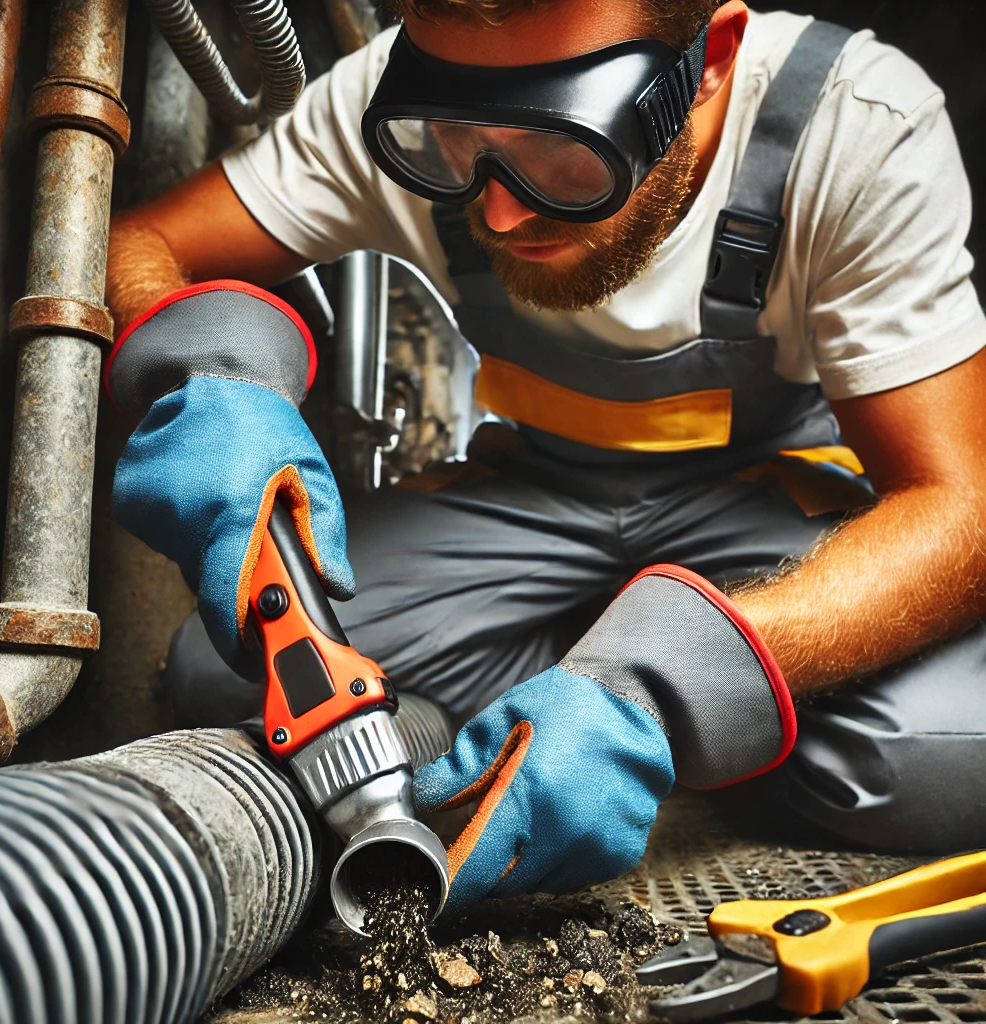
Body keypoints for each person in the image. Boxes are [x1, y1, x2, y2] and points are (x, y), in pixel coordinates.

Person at [105, 0, 986, 910]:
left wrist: (671, 682)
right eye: (457, 138)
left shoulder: (853, 123)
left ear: (709, 58)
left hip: (760, 507)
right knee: (228, 677)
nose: (501, 207)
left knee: (907, 758)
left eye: (563, 145)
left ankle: (624, 709)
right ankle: (580, 689)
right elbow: (142, 242)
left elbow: (962, 506)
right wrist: (206, 372)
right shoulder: (390, 106)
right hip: (538, 496)